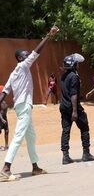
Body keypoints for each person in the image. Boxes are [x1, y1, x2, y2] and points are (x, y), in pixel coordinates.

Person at [0, 25, 59, 182]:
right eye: (25, 55)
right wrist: (49, 35)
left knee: (31, 137)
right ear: (20, 58)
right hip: (24, 106)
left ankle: (35, 167)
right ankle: (5, 169)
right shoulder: (22, 65)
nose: (29, 57)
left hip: (21, 107)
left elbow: (4, 92)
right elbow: (36, 52)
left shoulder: (14, 74)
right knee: (18, 136)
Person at [59, 53, 94, 165]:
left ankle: (65, 156)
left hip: (63, 106)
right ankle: (86, 153)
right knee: (84, 127)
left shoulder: (64, 76)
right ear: (74, 65)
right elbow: (74, 94)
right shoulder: (74, 76)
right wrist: (75, 111)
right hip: (72, 107)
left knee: (65, 130)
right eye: (77, 64)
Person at [0, 86, 8, 151]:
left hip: (5, 118)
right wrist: (2, 119)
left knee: (6, 131)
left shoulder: (4, 102)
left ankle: (6, 145)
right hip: (0, 118)